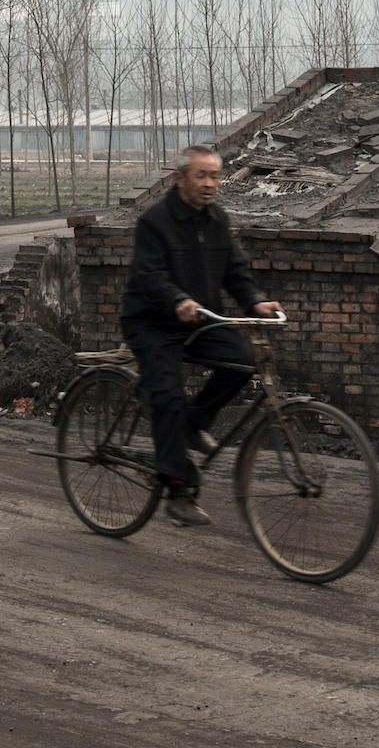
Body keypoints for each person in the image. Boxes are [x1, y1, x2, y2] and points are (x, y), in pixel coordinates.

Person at [119, 143, 282, 527]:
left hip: (201, 320)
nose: (210, 184)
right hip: (152, 322)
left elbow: (235, 272)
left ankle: (194, 424)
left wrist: (255, 301)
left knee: (243, 362)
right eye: (201, 175)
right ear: (179, 179)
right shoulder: (155, 221)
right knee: (168, 397)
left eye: (215, 176)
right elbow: (148, 274)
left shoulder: (217, 220)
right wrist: (176, 299)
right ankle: (178, 489)